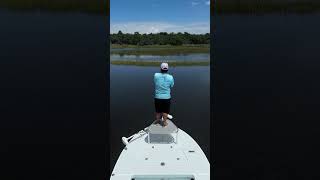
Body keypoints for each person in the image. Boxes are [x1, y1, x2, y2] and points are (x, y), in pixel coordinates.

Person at [153, 62, 174, 127]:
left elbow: (155, 82)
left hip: (158, 97)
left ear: (160, 69)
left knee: (158, 111)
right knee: (165, 111)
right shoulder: (170, 77)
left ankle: (157, 121)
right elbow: (172, 85)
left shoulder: (156, 75)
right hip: (167, 98)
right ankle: (164, 122)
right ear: (167, 69)